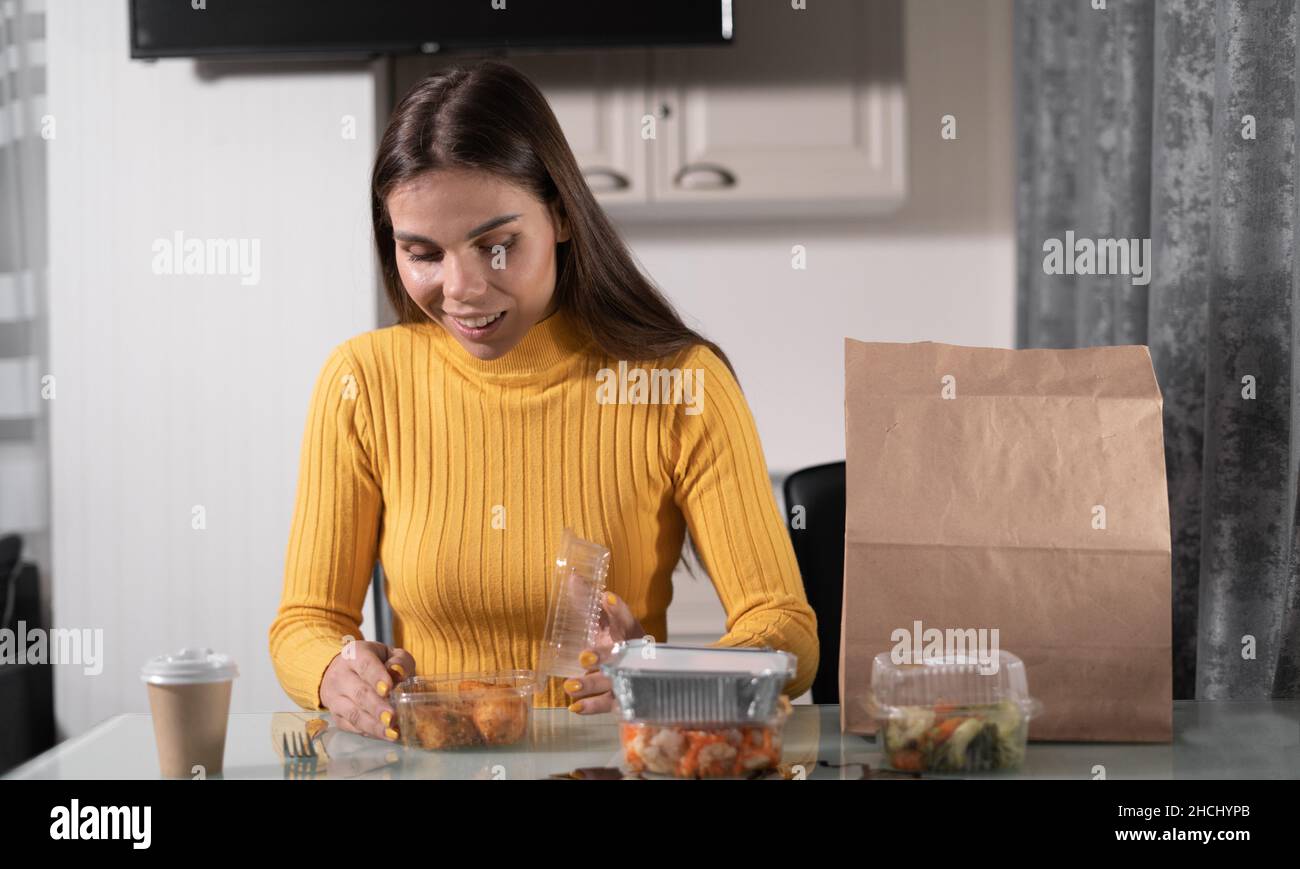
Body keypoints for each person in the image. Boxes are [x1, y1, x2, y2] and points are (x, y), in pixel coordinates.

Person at [269, 60, 818, 742]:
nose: (462, 288)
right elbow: (305, 622)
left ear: (559, 213)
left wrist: (660, 676)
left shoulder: (682, 384)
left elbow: (785, 630)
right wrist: (331, 671)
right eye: (423, 254)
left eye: (496, 245)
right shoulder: (363, 383)